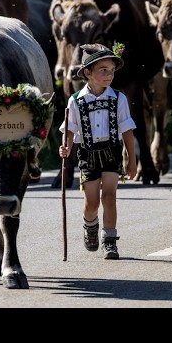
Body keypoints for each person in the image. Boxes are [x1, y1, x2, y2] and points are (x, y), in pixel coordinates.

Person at [58, 43, 137, 260]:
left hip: (112, 151)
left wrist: (132, 160)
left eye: (111, 70)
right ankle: (90, 225)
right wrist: (66, 147)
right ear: (88, 73)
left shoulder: (118, 98)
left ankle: (110, 241)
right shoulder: (76, 101)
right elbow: (70, 130)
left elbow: (127, 129)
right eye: (103, 70)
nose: (109, 75)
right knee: (91, 203)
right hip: (88, 154)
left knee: (109, 196)